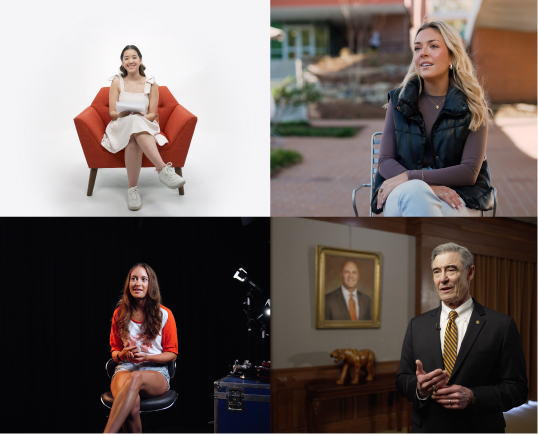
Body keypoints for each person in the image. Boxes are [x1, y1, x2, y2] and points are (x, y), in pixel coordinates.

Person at [396, 243, 528, 433]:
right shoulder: (416, 325)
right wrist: (419, 389)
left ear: (470, 272)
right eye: (436, 271)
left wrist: (473, 396)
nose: (443, 279)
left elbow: (518, 389)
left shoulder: (501, 325)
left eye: (451, 270)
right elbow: (402, 379)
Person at [372, 21, 495, 216]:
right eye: (417, 48)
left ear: (452, 57)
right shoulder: (399, 100)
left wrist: (414, 177)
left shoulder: (473, 105)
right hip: (402, 191)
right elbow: (386, 160)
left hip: (457, 195)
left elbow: (469, 171)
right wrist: (423, 186)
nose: (423, 52)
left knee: (420, 194)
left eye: (434, 46)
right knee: (416, 193)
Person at [101, 45, 186, 211]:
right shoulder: (117, 81)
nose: (130, 61)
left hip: (145, 123)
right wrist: (125, 114)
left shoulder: (151, 83)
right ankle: (163, 170)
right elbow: (112, 113)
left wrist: (139, 116)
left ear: (140, 60)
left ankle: (132, 190)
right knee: (132, 121)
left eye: (134, 57)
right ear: (122, 62)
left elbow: (153, 115)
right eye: (126, 58)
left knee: (134, 136)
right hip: (121, 123)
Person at [104, 263, 178, 433]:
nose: (138, 283)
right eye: (134, 279)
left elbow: (172, 354)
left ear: (150, 284)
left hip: (156, 371)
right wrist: (122, 354)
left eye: (143, 279)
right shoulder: (119, 313)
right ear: (128, 284)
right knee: (132, 404)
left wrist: (146, 357)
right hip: (125, 368)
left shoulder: (165, 314)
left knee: (136, 377)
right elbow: (114, 352)